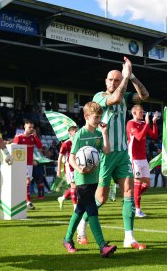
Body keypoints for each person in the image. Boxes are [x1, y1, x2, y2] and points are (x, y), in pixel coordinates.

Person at [78, 56, 149, 249]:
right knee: (100, 198)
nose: (113, 82)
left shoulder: (126, 96)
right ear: (105, 81)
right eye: (111, 79)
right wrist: (125, 77)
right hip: (104, 154)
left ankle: (129, 237)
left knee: (128, 191)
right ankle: (82, 224)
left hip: (122, 153)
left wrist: (132, 76)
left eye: (117, 80)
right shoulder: (99, 97)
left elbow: (144, 96)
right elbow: (115, 97)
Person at [63, 102, 116, 257]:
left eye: (100, 116)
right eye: (96, 117)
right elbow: (72, 158)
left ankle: (67, 239)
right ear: (86, 116)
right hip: (82, 179)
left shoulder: (99, 133)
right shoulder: (80, 134)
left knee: (80, 210)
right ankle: (102, 245)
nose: (98, 119)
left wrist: (105, 133)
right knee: (92, 209)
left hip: (94, 177)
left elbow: (106, 151)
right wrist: (79, 169)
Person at [126, 105, 158, 217]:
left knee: (147, 184)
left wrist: (153, 122)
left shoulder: (143, 124)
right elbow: (139, 137)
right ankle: (138, 210)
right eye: (140, 111)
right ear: (133, 112)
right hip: (134, 158)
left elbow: (154, 135)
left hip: (143, 158)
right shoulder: (131, 124)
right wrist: (147, 123)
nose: (142, 113)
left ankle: (131, 200)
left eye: (142, 111)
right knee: (138, 183)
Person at [13, 120, 43, 210]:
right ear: (24, 127)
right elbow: (14, 150)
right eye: (29, 127)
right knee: (26, 181)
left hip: (29, 163)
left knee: (26, 182)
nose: (31, 129)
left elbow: (40, 146)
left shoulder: (32, 138)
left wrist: (35, 136)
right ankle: (28, 202)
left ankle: (24, 201)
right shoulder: (19, 137)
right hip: (20, 163)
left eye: (32, 127)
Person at [57, 126, 78, 210]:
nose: (77, 133)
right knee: (74, 185)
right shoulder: (66, 143)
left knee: (77, 186)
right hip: (69, 168)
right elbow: (60, 157)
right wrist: (59, 170)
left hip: (78, 166)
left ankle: (62, 198)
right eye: (75, 131)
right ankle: (75, 206)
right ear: (70, 133)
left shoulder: (79, 142)